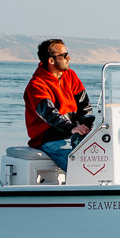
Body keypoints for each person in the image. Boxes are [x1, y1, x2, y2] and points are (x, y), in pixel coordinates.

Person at [24, 39, 91, 170]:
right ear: (51, 60)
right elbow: (49, 114)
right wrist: (71, 128)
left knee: (104, 157)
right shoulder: (36, 85)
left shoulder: (70, 75)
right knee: (81, 168)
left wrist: (87, 126)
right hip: (51, 139)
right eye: (64, 55)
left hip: (75, 135)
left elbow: (85, 106)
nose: (68, 58)